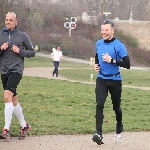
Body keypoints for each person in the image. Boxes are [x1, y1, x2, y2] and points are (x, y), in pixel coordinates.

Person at [92, 20, 130, 145]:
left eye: (106, 30)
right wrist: (96, 66)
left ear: (112, 31)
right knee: (99, 104)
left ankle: (119, 128)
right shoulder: (98, 43)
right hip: (101, 78)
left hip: (115, 80)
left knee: (116, 108)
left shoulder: (119, 45)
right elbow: (97, 57)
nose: (104, 32)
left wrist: (112, 60)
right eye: (102, 30)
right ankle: (99, 134)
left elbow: (127, 64)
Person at [0, 12, 36, 140]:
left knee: (6, 96)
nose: (8, 22)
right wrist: (1, 48)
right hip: (4, 70)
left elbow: (32, 52)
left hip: (16, 70)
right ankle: (24, 126)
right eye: (6, 19)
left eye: (11, 20)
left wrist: (20, 51)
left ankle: (6, 129)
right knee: (13, 100)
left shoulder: (22, 36)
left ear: (16, 22)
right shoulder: (1, 35)